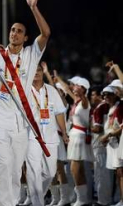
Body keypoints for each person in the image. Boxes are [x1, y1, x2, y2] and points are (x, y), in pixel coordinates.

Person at [0, 0, 50, 206]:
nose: (14, 33)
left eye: (19, 31)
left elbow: (46, 33)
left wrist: (33, 8)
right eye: (12, 30)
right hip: (0, 118)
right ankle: (5, 204)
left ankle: (11, 201)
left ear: (26, 37)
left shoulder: (31, 55)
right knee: (2, 163)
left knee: (15, 167)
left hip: (21, 121)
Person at [24, 64, 68, 206]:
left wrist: (65, 133)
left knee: (50, 172)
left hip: (50, 137)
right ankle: (38, 202)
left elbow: (59, 112)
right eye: (33, 70)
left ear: (42, 72)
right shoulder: (24, 91)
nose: (36, 73)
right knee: (34, 171)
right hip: (31, 137)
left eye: (38, 70)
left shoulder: (52, 91)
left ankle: (36, 195)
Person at [66, 77, 94, 206]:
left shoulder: (84, 102)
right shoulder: (77, 101)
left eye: (77, 86)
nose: (74, 87)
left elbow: (82, 97)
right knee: (78, 169)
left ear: (83, 89)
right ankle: (82, 198)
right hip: (75, 135)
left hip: (79, 136)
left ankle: (81, 198)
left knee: (75, 168)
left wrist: (81, 91)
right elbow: (67, 89)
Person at [100, 85, 123, 206]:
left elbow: (121, 127)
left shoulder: (120, 108)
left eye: (108, 94)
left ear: (115, 95)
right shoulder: (111, 108)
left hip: (119, 143)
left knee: (121, 172)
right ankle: (120, 199)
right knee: (118, 173)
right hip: (113, 144)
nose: (105, 97)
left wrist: (107, 136)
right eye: (104, 94)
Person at [91, 86, 113, 206]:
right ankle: (111, 198)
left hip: (100, 144)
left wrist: (86, 127)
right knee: (108, 173)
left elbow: (98, 128)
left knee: (101, 173)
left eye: (94, 95)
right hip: (109, 143)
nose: (92, 97)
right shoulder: (113, 106)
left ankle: (103, 200)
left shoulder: (100, 107)